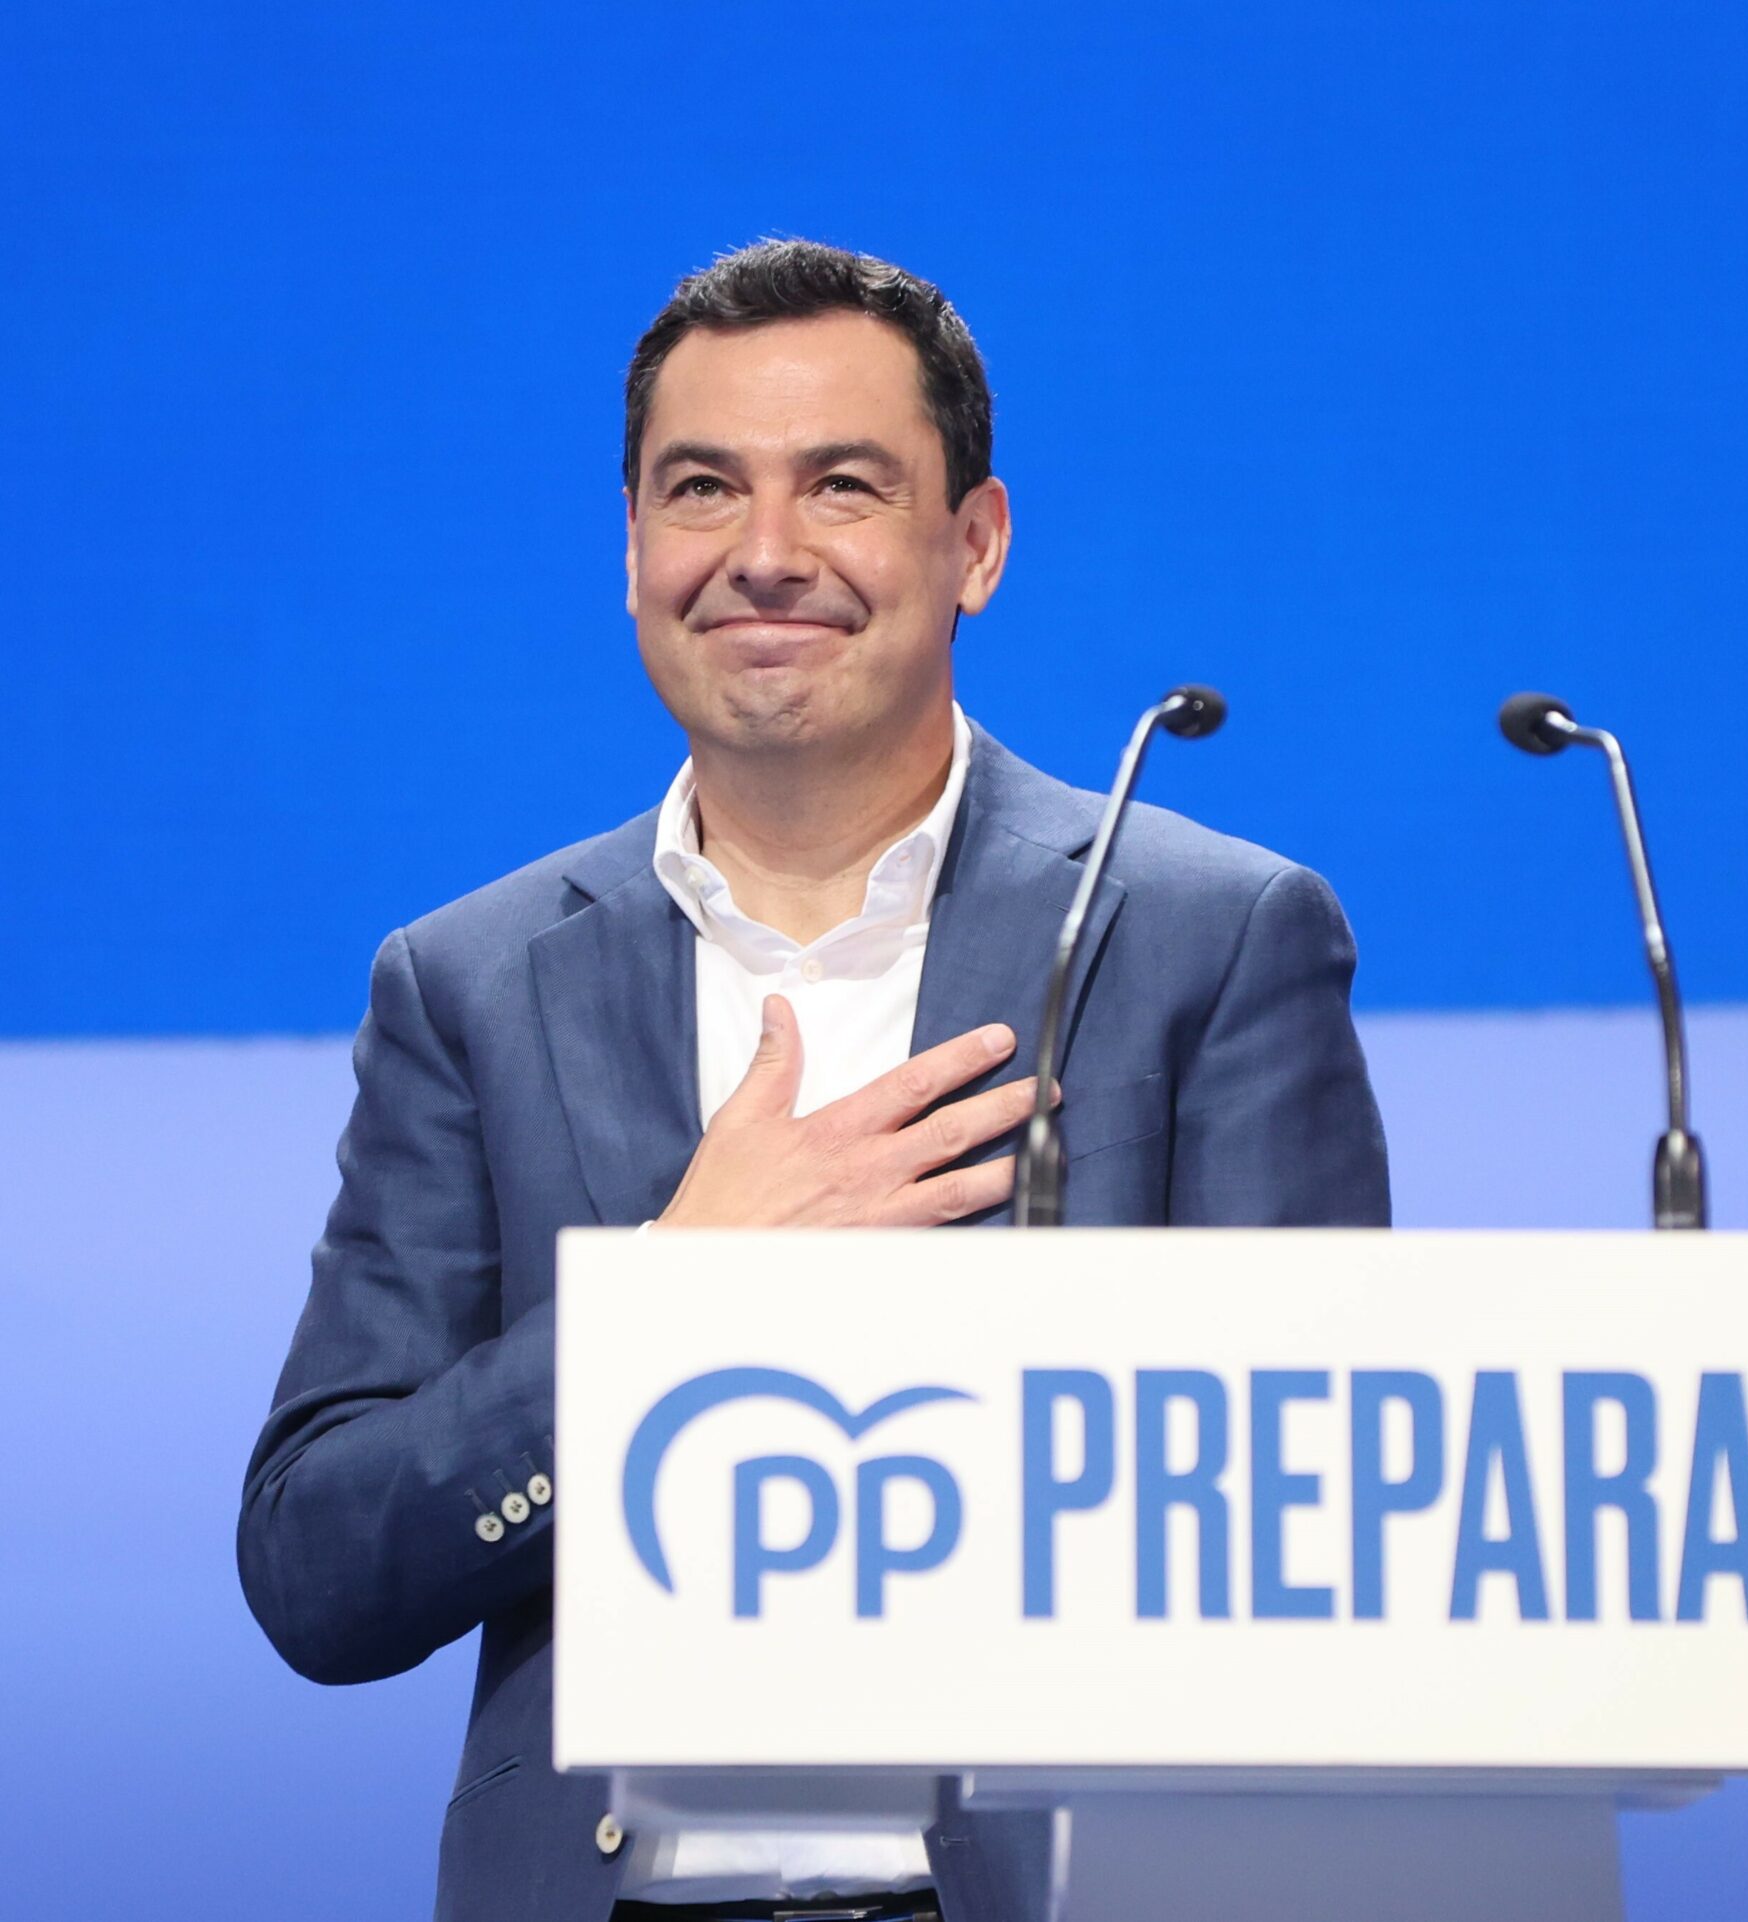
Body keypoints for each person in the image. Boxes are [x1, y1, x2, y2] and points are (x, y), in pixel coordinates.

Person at [237, 239, 1391, 1922]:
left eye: (843, 487)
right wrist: (668, 1307)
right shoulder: (470, 983)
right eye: (702, 489)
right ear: (634, 544)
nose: (764, 555)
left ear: (973, 543)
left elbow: (1336, 1517)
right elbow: (317, 1566)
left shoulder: (1205, 939)